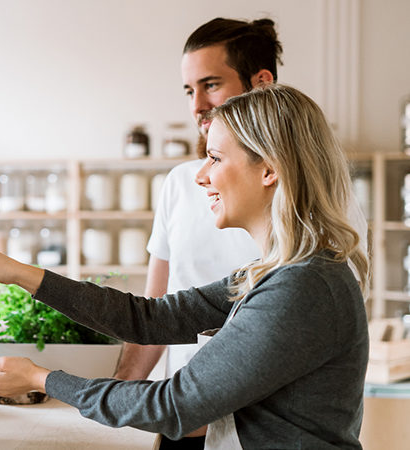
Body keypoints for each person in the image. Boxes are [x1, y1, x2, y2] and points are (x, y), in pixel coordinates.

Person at [0, 85, 369, 448]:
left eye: (216, 158)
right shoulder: (275, 272)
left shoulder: (302, 286)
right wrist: (20, 273)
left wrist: (40, 378)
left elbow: (174, 405)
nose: (201, 176)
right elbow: (150, 318)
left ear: (270, 170)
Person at [114, 18, 367, 448]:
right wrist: (117, 401)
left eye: (210, 85)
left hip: (249, 429)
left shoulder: (323, 208)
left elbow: (316, 328)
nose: (197, 106)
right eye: (189, 90)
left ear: (261, 83)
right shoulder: (181, 182)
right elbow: (155, 314)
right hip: (173, 418)